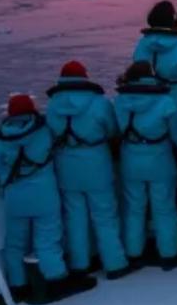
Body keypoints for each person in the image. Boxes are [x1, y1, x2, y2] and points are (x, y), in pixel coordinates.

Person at [0, 94, 96, 301]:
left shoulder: (2, 137)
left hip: (14, 198)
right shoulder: (42, 130)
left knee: (14, 243)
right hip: (43, 195)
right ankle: (56, 280)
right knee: (48, 240)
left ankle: (18, 286)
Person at [45, 61, 130, 280]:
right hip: (96, 163)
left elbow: (50, 134)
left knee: (74, 217)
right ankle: (115, 264)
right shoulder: (99, 103)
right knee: (105, 215)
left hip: (66, 165)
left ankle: (80, 265)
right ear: (85, 77)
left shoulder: (52, 105)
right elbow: (113, 129)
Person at [114, 61, 177, 269]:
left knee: (134, 208)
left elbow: (115, 129)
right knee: (164, 208)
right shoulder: (166, 102)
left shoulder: (119, 102)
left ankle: (134, 253)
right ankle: (169, 254)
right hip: (160, 160)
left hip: (130, 160)